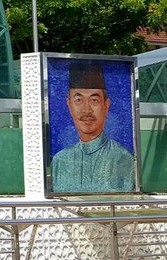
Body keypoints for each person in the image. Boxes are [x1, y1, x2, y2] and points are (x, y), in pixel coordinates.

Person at [50, 60, 135, 193]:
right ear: (69, 105)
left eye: (94, 100)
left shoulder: (122, 158)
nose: (86, 110)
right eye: (79, 100)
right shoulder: (60, 160)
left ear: (106, 106)